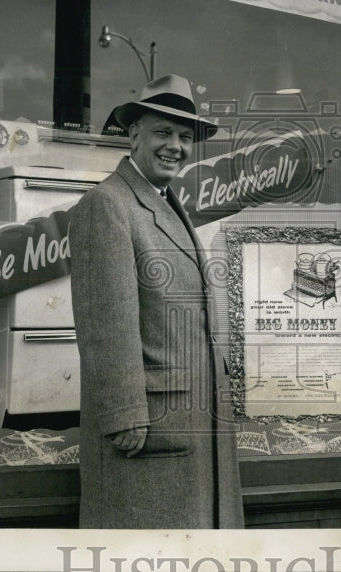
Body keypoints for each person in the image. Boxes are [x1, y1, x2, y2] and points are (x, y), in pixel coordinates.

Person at [69, 74, 243, 529]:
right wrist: (125, 418)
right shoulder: (107, 204)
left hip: (189, 431)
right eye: (163, 132)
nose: (176, 146)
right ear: (133, 135)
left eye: (186, 137)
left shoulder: (161, 201)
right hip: (148, 438)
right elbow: (105, 325)